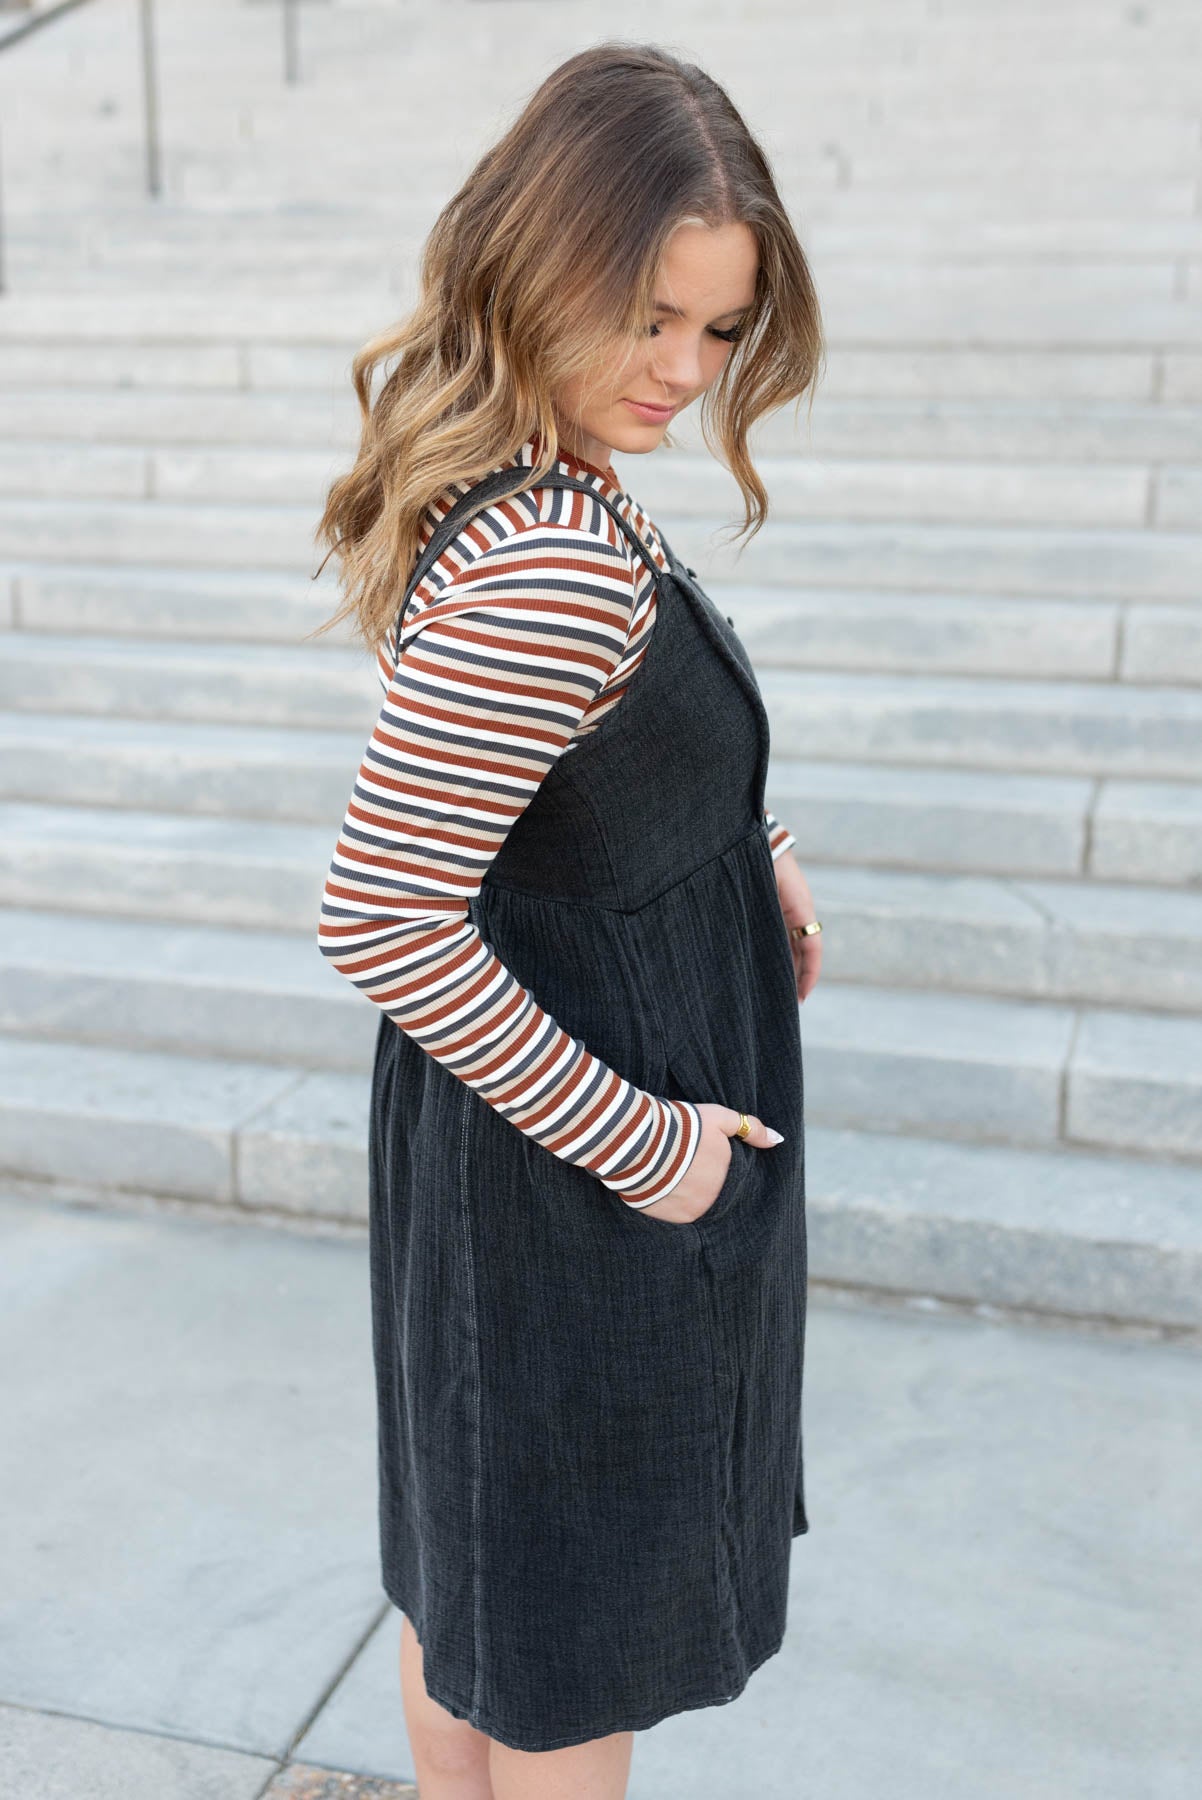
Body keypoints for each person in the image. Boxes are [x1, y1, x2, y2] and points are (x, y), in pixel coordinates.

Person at [311, 40, 825, 1800]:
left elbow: (561, 769)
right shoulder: (548, 553)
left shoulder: (540, 473)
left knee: (481, 1589)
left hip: (513, 1159)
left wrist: (741, 837)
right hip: (574, 1176)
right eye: (650, 319)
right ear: (543, 260)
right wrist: (650, 1155)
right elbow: (383, 912)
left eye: (718, 330)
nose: (682, 373)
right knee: (564, 1637)